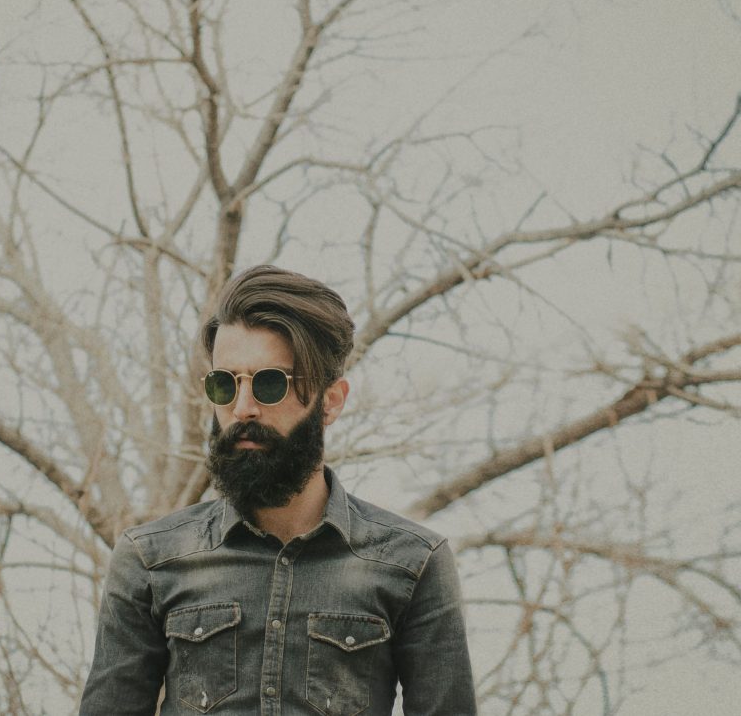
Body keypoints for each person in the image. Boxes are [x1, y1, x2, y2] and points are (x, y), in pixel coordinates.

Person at [79, 265, 476, 715]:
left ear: (331, 400)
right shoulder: (150, 561)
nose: (243, 408)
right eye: (224, 384)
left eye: (269, 384)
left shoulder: (413, 563)